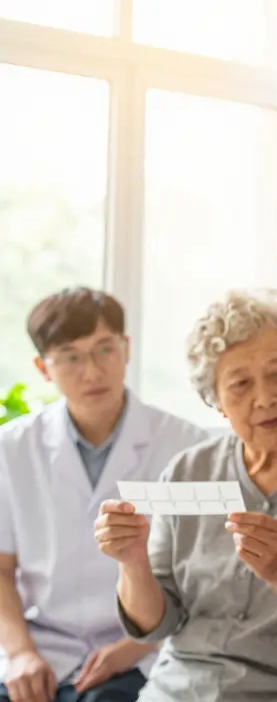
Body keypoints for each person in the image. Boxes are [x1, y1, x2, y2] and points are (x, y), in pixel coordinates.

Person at [93, 288, 277, 701]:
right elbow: (156, 624)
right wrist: (132, 562)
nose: (265, 398)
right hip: (177, 690)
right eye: (240, 384)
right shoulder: (187, 472)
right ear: (217, 402)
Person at [0, 288, 208, 702]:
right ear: (43, 368)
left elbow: (203, 573)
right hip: (43, 647)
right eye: (72, 357)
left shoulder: (187, 446)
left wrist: (134, 646)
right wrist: (21, 652)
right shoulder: (11, 449)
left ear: (126, 348)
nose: (92, 372)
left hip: (146, 649)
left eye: (104, 349)